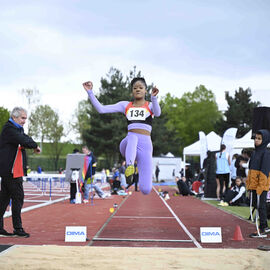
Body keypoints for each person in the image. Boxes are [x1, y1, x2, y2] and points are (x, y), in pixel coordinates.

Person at [82, 77, 161, 195]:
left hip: (145, 147)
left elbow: (158, 112)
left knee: (146, 189)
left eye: (140, 87)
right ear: (132, 91)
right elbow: (101, 109)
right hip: (128, 145)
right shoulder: (125, 105)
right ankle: (129, 167)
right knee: (133, 137)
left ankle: (132, 169)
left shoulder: (149, 106)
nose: (138, 90)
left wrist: (154, 98)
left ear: (145, 90)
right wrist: (90, 92)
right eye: (135, 88)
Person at [0, 107, 41, 238]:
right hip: (11, 171)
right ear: (14, 117)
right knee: (18, 197)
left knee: (3, 200)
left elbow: (25, 138)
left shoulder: (17, 129)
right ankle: (18, 229)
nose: (24, 121)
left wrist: (33, 145)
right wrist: (35, 146)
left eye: (25, 118)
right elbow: (23, 140)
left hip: (12, 171)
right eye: (23, 118)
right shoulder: (10, 129)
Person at [246, 129, 270, 238]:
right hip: (254, 185)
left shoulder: (266, 153)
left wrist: (261, 186)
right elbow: (251, 170)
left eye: (259, 139)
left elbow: (265, 172)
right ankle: (263, 226)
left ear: (264, 140)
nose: (256, 140)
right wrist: (249, 184)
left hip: (262, 185)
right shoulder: (254, 153)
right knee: (257, 205)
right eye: (255, 138)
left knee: (261, 206)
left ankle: (263, 227)